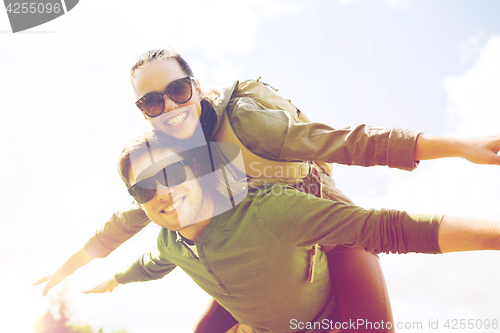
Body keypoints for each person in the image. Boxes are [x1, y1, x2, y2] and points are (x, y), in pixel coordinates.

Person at [33, 49, 500, 332]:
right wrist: (67, 270)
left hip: (329, 228)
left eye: (177, 91)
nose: (169, 107)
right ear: (143, 112)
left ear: (195, 88)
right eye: (152, 101)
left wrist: (457, 145)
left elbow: (346, 142)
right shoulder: (169, 159)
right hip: (262, 248)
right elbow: (131, 222)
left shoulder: (248, 123)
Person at [88, 130, 500, 333]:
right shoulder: (169, 242)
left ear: (197, 169)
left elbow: (388, 228)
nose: (164, 191)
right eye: (145, 186)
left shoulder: (267, 212)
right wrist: (113, 280)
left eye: (172, 173)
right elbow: (151, 263)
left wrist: (492, 236)